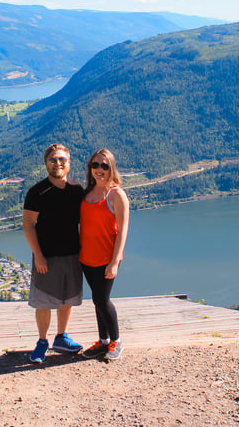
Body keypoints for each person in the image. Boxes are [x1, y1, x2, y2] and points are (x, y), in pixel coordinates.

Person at [22, 143, 85, 363]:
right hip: (46, 256)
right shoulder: (37, 192)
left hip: (73, 255)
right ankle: (42, 342)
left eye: (62, 159)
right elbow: (28, 225)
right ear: (46, 163)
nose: (58, 163)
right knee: (43, 301)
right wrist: (38, 255)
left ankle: (61, 337)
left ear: (69, 162)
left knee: (68, 298)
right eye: (53, 160)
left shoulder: (77, 189)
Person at [79, 148, 130, 361]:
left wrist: (115, 262)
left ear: (111, 168)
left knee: (102, 299)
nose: (99, 169)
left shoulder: (116, 195)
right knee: (97, 300)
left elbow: (123, 231)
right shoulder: (86, 194)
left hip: (106, 259)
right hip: (86, 258)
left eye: (104, 165)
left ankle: (116, 341)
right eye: (95, 165)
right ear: (90, 168)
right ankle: (103, 341)